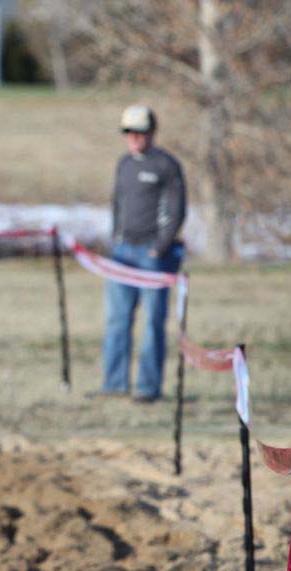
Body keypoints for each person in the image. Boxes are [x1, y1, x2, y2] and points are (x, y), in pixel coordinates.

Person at [98, 104, 186, 403]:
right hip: (122, 253)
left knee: (152, 323)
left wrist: (159, 248)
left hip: (153, 256)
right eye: (129, 132)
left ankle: (148, 388)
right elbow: (117, 204)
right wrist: (115, 241)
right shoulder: (124, 164)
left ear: (151, 132)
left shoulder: (166, 165)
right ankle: (114, 383)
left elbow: (176, 212)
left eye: (140, 132)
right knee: (117, 320)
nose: (134, 138)